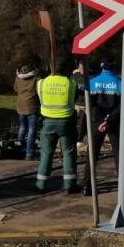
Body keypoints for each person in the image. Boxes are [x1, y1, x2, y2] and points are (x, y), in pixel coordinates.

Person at [35, 57, 79, 193]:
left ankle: (41, 184)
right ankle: (69, 184)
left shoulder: (41, 83)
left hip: (47, 121)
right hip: (66, 121)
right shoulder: (71, 83)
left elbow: (39, 99)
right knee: (68, 153)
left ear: (49, 68)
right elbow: (75, 98)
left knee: (46, 153)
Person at [81, 60, 121, 197]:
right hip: (114, 123)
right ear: (114, 67)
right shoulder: (119, 82)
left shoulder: (92, 82)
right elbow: (121, 106)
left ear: (101, 67)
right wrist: (108, 121)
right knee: (119, 154)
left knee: (92, 154)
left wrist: (100, 121)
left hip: (96, 122)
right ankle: (122, 186)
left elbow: (90, 105)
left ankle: (87, 186)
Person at [13, 63, 40, 160]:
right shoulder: (35, 79)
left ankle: (18, 149)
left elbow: (15, 89)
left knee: (22, 127)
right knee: (32, 130)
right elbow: (39, 91)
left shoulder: (18, 78)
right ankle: (29, 153)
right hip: (32, 105)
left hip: (20, 105)